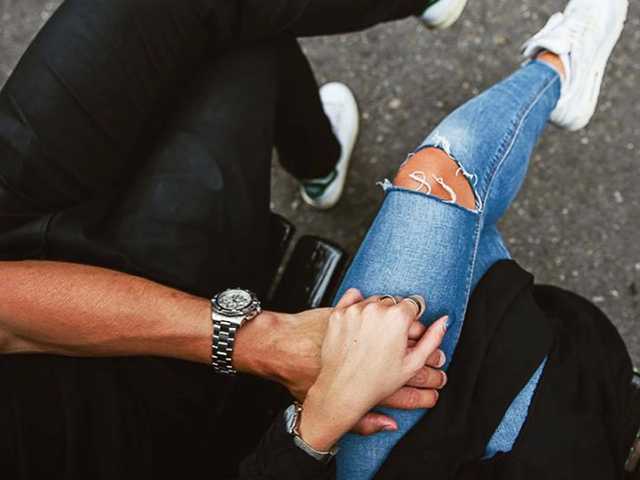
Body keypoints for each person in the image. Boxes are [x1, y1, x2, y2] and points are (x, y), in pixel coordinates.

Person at [0, 0, 636, 479]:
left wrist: (258, 339)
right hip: (155, 419)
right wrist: (310, 434)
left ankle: (322, 157)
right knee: (440, 175)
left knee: (211, 21)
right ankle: (558, 71)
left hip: (27, 257)